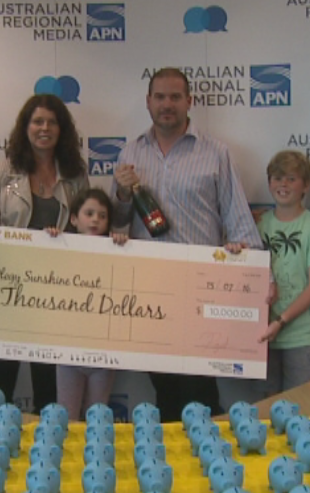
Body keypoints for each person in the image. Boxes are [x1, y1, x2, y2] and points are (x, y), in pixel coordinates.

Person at [111, 67, 263, 421]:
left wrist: (254, 278)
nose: (167, 104)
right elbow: (116, 225)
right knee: (164, 387)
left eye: (175, 97)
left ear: (189, 101)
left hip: (201, 290)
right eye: (160, 97)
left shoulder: (216, 152)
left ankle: (205, 447)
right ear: (148, 102)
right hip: (150, 289)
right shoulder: (130, 153)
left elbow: (239, 219)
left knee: (199, 387)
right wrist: (122, 194)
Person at [0, 93, 89, 413]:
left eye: (52, 122)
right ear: (25, 127)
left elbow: (86, 230)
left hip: (55, 293)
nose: (45, 128)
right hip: (7, 290)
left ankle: (48, 440)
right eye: (37, 121)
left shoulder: (76, 174)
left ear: (62, 129)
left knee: (48, 384)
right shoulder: (2, 172)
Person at [43, 188, 128, 421]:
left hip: (103, 355)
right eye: (89, 214)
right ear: (74, 219)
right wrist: (51, 239)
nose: (95, 220)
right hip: (68, 354)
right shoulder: (61, 247)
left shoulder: (117, 251)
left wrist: (123, 243)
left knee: (97, 416)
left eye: (102, 216)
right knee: (67, 416)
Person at [256, 150, 310, 394]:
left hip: (301, 340)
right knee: (265, 413)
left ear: (305, 185)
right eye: (277, 178)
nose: (283, 185)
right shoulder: (258, 224)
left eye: (291, 179)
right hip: (261, 339)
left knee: (301, 411)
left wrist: (280, 321)